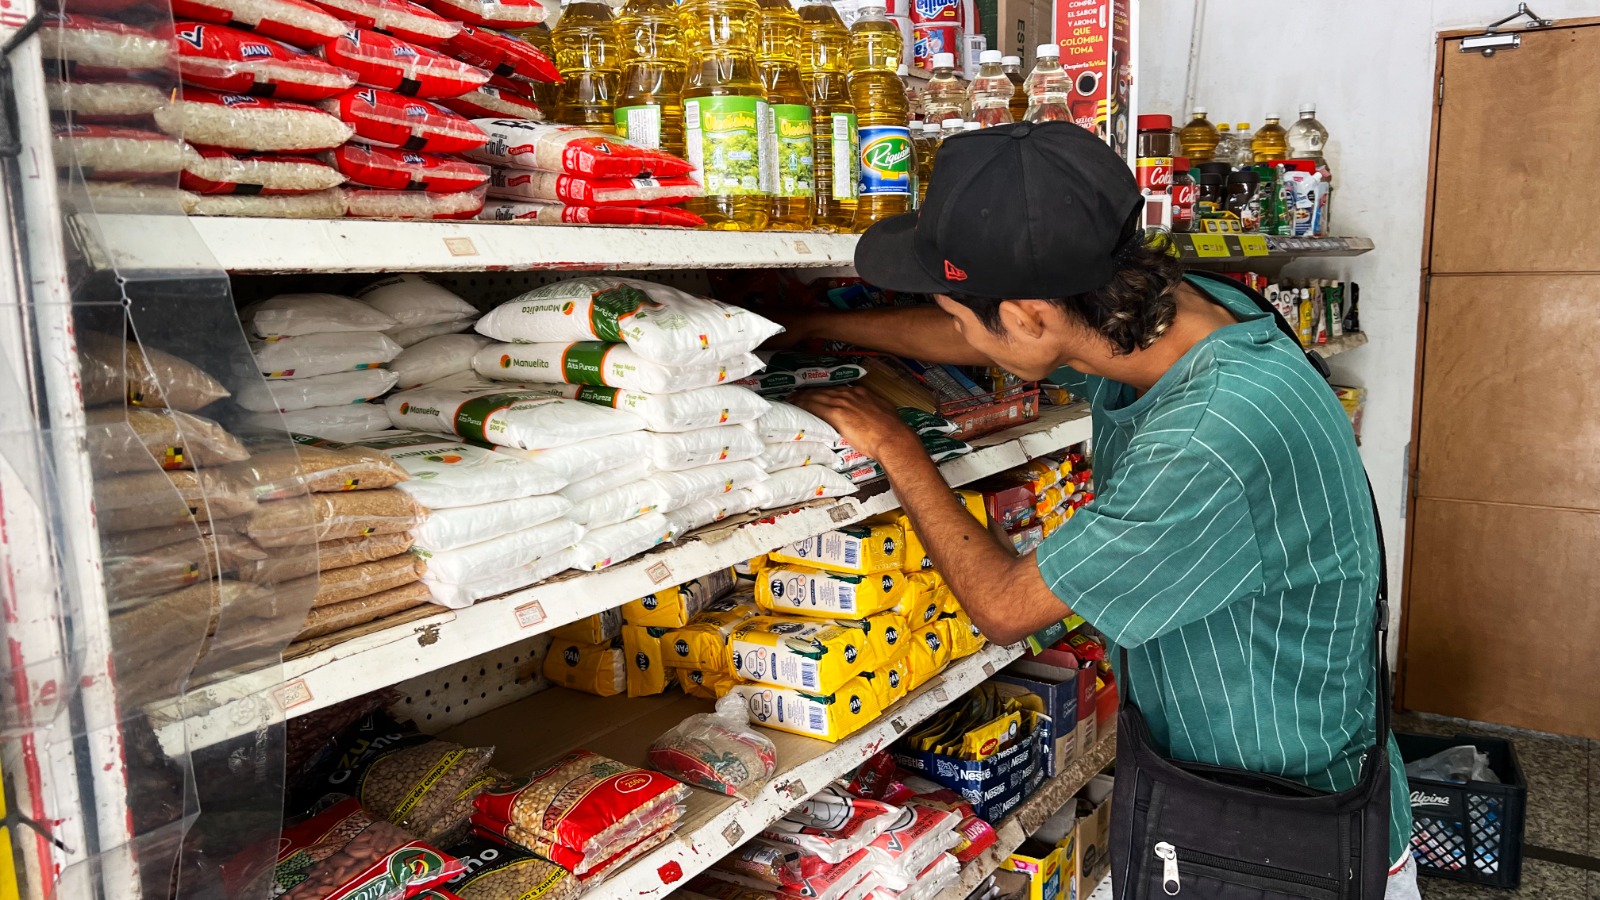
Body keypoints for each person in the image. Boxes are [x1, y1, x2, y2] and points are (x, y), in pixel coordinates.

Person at [782, 121, 1419, 897]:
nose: (953, 329)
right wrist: (817, 325)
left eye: (956, 313)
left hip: (1279, 823)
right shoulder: (1182, 312)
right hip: (1244, 775)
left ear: (1030, 316)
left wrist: (897, 447)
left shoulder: (1208, 438)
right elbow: (989, 340)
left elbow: (1006, 607)